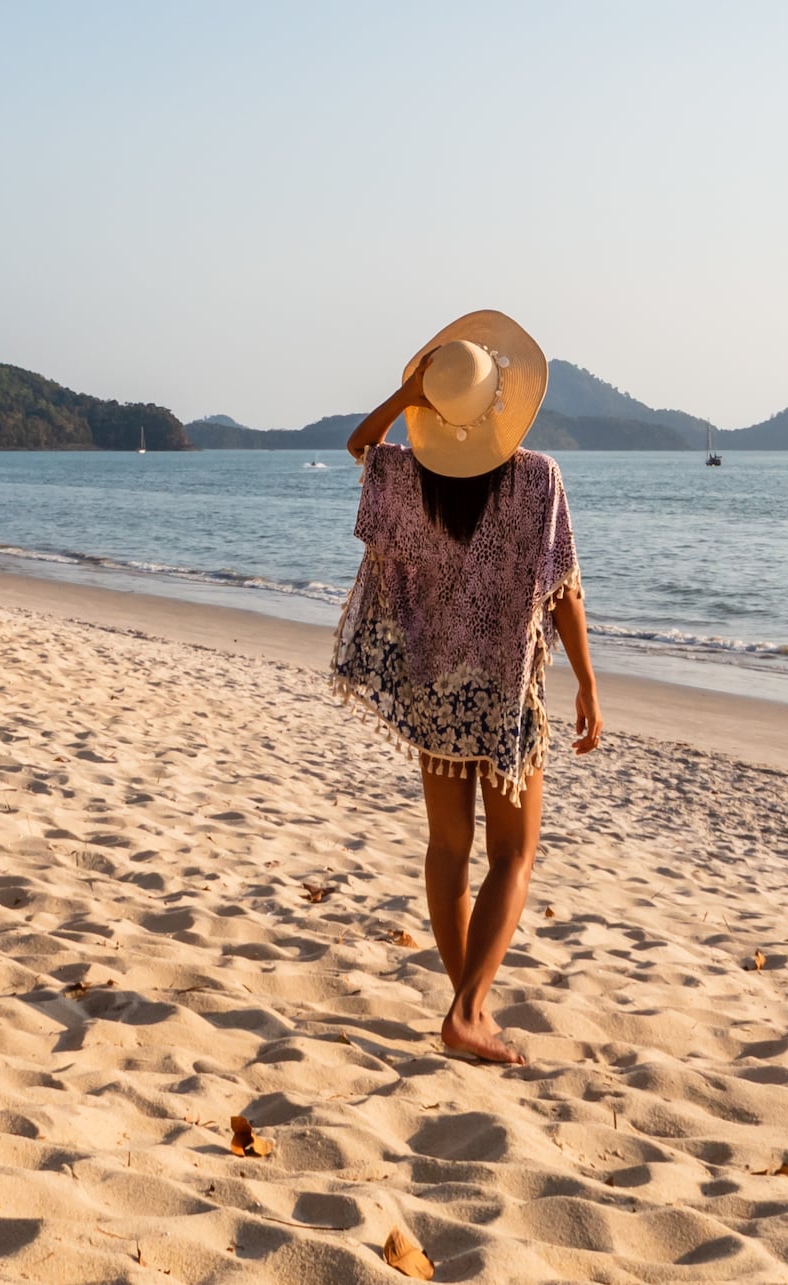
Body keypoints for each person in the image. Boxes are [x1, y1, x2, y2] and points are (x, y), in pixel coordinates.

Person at [333, 309, 602, 1068]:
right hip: (506, 692)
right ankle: (469, 1008)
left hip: (433, 689)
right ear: (501, 406)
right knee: (514, 854)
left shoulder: (407, 481)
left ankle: (466, 1005)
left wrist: (405, 396)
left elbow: (360, 444)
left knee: (448, 847)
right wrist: (585, 680)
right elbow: (563, 590)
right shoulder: (538, 478)